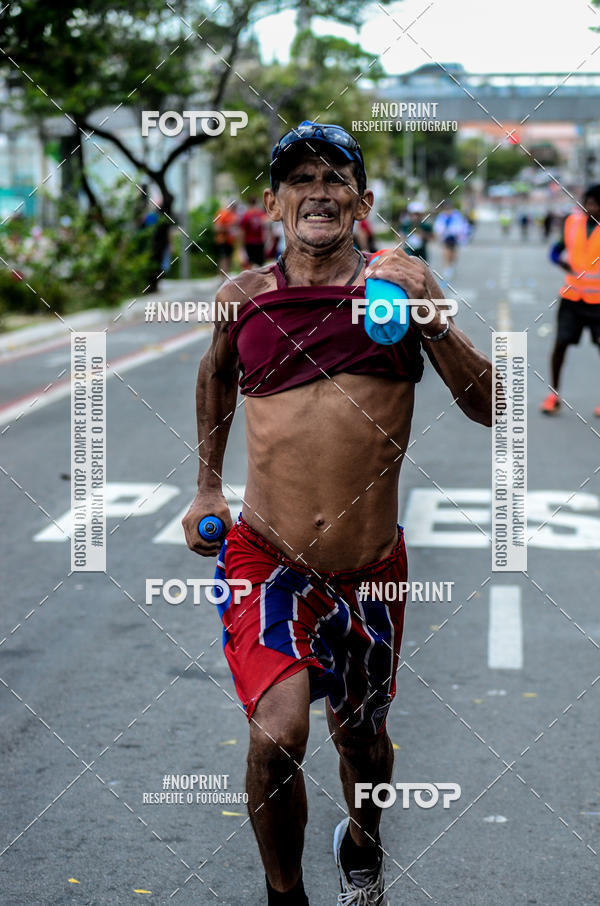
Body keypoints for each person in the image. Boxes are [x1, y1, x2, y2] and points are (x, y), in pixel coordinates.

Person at [183, 120, 492, 906]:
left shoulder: (397, 297)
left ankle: (362, 842)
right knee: (277, 734)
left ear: (363, 199)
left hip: (372, 574)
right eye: (300, 178)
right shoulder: (243, 298)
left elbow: (495, 408)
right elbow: (217, 378)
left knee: (364, 742)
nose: (318, 190)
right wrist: (208, 488)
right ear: (273, 200)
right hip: (267, 560)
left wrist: (435, 315)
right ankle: (285, 895)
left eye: (335, 177)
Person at [541, 184, 600, 416]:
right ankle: (553, 394)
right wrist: (559, 261)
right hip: (571, 298)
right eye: (588, 202)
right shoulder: (572, 223)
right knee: (560, 346)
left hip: (598, 303)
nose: (590, 207)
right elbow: (555, 250)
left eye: (595, 203)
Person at [433, 203, 469, 277]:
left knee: (454, 253)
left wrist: (460, 234)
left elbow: (461, 226)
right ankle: (447, 267)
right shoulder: (441, 216)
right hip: (446, 237)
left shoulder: (457, 215)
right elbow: (438, 227)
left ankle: (452, 265)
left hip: (455, 237)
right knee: (446, 252)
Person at [241, 196, 268, 266]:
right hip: (260, 241)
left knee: (252, 263)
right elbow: (266, 228)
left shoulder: (246, 215)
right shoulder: (261, 213)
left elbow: (243, 230)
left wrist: (242, 243)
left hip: (249, 241)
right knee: (261, 263)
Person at [214, 200, 239, 273]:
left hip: (230, 240)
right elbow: (217, 227)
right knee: (223, 258)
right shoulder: (223, 213)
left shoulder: (233, 215)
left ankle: (226, 275)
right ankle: (222, 277)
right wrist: (228, 228)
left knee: (229, 258)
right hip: (222, 240)